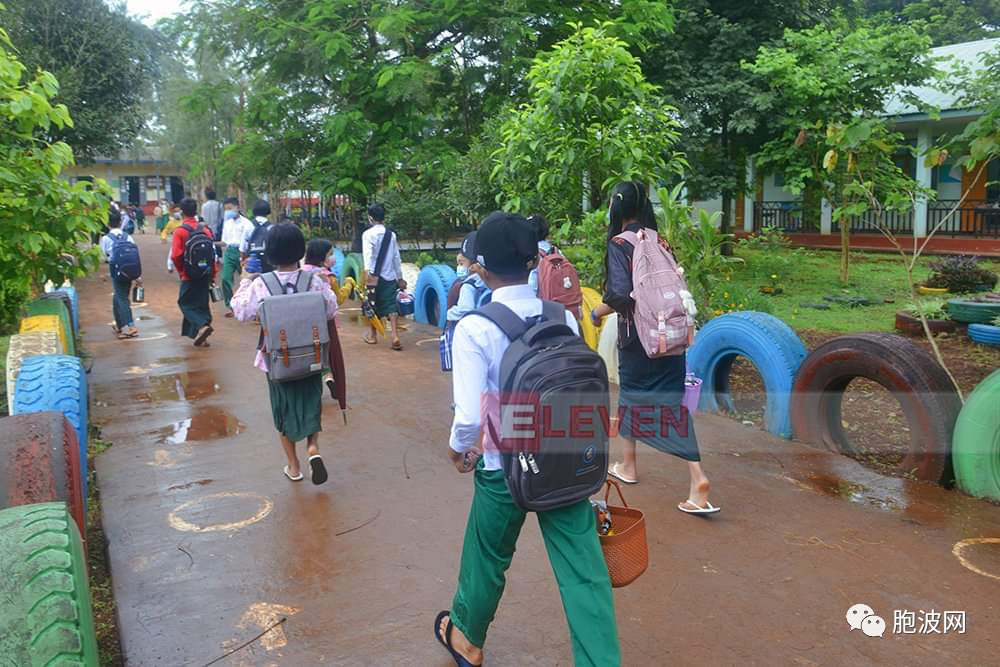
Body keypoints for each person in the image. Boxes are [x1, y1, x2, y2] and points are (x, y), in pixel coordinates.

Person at [436, 211, 620, 667]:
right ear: (530, 261)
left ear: (480, 266)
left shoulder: (474, 327)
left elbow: (468, 416)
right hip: (564, 460)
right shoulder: (564, 317)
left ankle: (468, 641)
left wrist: (460, 450)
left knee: (487, 556)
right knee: (585, 574)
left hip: (504, 467)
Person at [591, 181, 718, 515]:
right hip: (671, 337)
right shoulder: (659, 240)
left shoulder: (621, 244)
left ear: (616, 207)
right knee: (654, 401)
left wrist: (596, 311)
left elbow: (619, 295)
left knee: (648, 401)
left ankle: (698, 478)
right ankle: (629, 464)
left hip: (640, 341)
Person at [230, 224, 339, 485]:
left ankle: (293, 466)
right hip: (311, 356)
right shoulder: (313, 281)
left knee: (283, 410)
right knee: (311, 405)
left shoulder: (261, 285)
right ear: (300, 250)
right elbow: (331, 309)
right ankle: (313, 447)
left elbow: (241, 311)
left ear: (270, 253)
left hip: (278, 360)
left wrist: (245, 280)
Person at [170, 197, 218, 346]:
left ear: (182, 212)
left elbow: (176, 255)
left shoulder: (180, 231)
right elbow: (212, 254)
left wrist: (182, 272)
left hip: (189, 274)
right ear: (196, 210)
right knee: (201, 303)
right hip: (205, 272)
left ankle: (203, 326)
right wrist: (213, 273)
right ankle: (201, 336)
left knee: (185, 303)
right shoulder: (205, 230)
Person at [361, 203, 406, 350]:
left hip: (373, 276)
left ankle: (373, 336)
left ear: (370, 218)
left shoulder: (367, 234)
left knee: (372, 305)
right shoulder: (391, 235)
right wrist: (399, 277)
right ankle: (394, 336)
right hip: (389, 276)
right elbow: (395, 257)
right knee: (390, 305)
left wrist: (368, 273)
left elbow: (367, 255)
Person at [100, 209, 140, 339]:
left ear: (107, 223)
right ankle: (119, 324)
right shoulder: (127, 236)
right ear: (120, 222)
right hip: (129, 269)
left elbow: (103, 257)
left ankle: (129, 326)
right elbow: (135, 255)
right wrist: (138, 276)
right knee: (118, 296)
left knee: (122, 298)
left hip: (116, 269)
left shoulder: (106, 238)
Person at [220, 197, 254, 315]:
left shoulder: (247, 224)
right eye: (226, 209)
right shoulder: (227, 223)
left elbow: (250, 241)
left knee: (246, 280)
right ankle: (231, 306)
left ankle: (248, 306)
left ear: (237, 207)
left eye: (230, 208)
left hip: (243, 253)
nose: (228, 211)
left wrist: (245, 256)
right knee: (225, 278)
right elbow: (224, 241)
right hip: (230, 251)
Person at [445, 232, 489, 323]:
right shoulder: (489, 279)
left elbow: (465, 309)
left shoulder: (469, 285)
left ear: (473, 265)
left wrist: (449, 313)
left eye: (461, 263)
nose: (459, 267)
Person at [242, 200, 274, 274]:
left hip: (252, 263)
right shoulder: (272, 227)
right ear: (268, 211)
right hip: (268, 263)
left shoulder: (248, 226)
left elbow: (242, 247)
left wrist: (243, 261)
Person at [526, 213, 552, 295]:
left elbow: (532, 288)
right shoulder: (557, 252)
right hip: (564, 302)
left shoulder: (533, 255)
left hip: (543, 304)